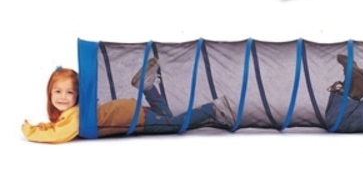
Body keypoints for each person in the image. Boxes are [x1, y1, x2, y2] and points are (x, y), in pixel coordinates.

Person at [22, 59, 236, 144]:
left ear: (77, 95)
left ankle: (213, 109)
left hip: (132, 117)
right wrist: (41, 125)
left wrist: (30, 131)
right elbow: (58, 127)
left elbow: (58, 134)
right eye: (58, 91)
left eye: (69, 92)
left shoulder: (76, 116)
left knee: (174, 125)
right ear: (49, 93)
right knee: (167, 117)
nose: (62, 97)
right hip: (128, 110)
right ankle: (148, 87)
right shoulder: (73, 114)